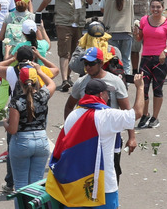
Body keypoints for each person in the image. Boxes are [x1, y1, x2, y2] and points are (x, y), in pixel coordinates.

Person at [46, 76, 145, 209]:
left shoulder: (73, 116)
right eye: (107, 93)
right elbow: (137, 113)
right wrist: (140, 87)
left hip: (76, 185)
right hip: (104, 187)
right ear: (101, 94)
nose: (108, 97)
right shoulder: (107, 116)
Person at [34, 0, 94, 90]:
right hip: (63, 22)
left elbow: (90, 1)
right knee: (64, 52)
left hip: (78, 22)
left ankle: (68, 77)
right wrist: (37, 13)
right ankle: (65, 79)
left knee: (75, 52)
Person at [4, 65, 56, 190]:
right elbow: (52, 83)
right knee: (37, 185)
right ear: (36, 81)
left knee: (21, 185)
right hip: (41, 141)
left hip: (22, 142)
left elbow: (13, 129)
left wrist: (5, 123)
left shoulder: (15, 102)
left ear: (19, 82)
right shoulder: (43, 96)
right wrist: (39, 71)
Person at [135, 0, 167, 129]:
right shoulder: (144, 20)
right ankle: (145, 114)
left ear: (163, 8)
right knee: (144, 89)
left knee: (157, 89)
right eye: (153, 7)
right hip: (146, 59)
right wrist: (135, 32)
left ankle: (155, 117)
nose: (155, 9)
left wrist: (165, 51)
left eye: (158, 7)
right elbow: (138, 38)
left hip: (161, 60)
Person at [100, 0, 136, 75]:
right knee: (126, 58)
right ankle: (127, 82)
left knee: (113, 58)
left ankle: (116, 79)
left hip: (111, 31)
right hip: (127, 30)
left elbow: (102, 8)